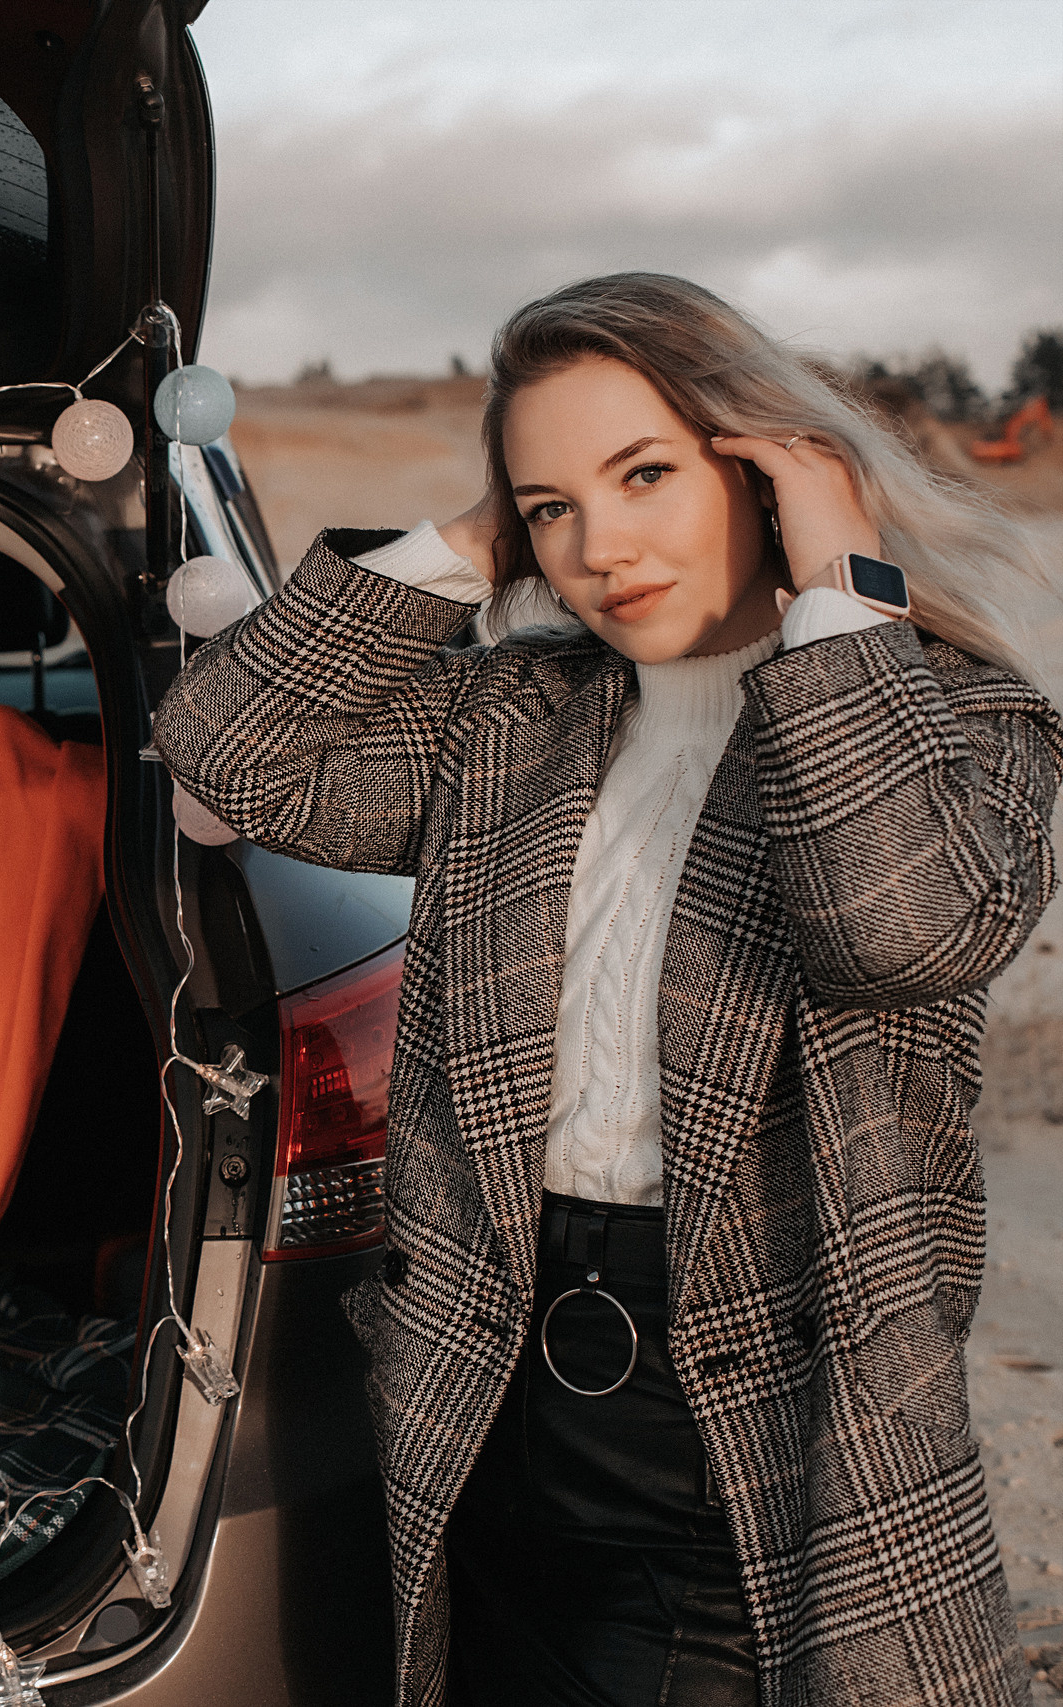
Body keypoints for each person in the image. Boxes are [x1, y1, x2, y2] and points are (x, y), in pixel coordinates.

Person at [154, 272, 1063, 1706]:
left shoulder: (952, 723)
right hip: (484, 1398)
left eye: (646, 475)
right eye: (554, 506)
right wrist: (470, 544)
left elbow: (904, 924)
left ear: (764, 463)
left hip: (756, 1438)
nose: (602, 547)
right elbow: (225, 752)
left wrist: (840, 586)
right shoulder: (514, 718)